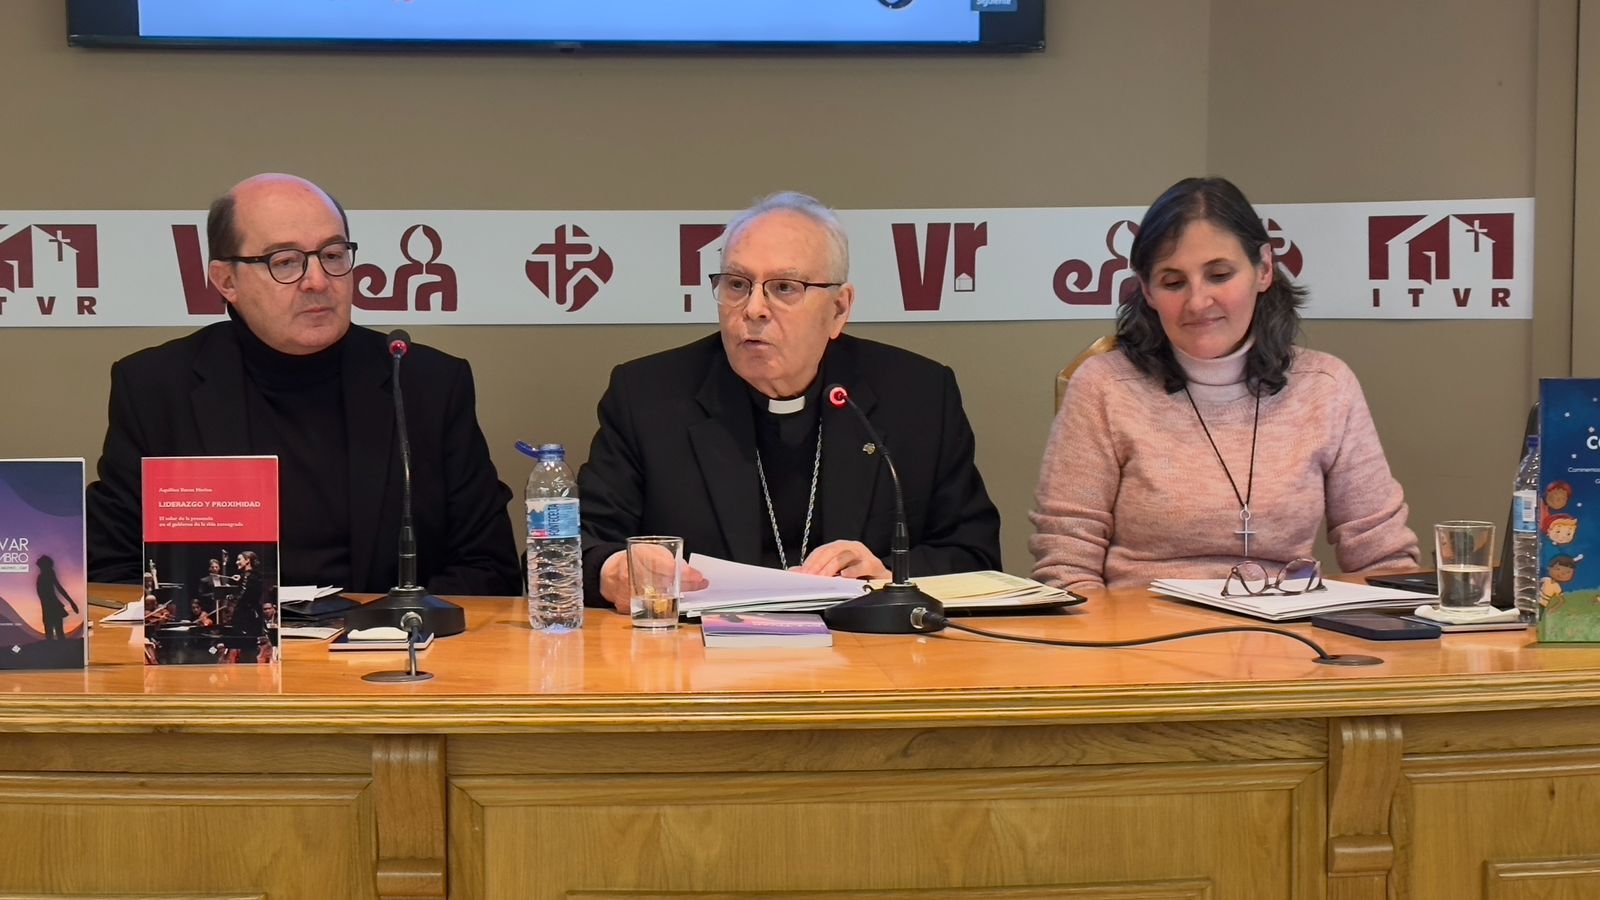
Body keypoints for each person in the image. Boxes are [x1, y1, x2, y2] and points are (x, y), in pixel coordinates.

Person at [86, 173, 520, 596]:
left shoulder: (425, 383)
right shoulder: (157, 388)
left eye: (332, 255)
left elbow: (488, 567)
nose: (317, 281)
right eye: (285, 261)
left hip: (388, 654)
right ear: (226, 281)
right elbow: (111, 569)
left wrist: (379, 629)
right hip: (227, 659)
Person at [577, 191, 1001, 611]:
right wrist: (613, 568)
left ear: (838, 309)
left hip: (867, 658)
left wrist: (891, 577)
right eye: (737, 285)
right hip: (698, 662)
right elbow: (574, 549)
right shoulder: (648, 396)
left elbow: (975, 556)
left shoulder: (917, 395)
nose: (754, 309)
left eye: (784, 287)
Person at [1030, 176, 1418, 591]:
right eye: (1173, 282)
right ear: (1147, 290)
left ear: (1264, 269)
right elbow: (1067, 563)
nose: (1197, 302)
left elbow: (1383, 560)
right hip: (1141, 642)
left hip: (1290, 641)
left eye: (1219, 275)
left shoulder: (1326, 385)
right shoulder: (1105, 385)